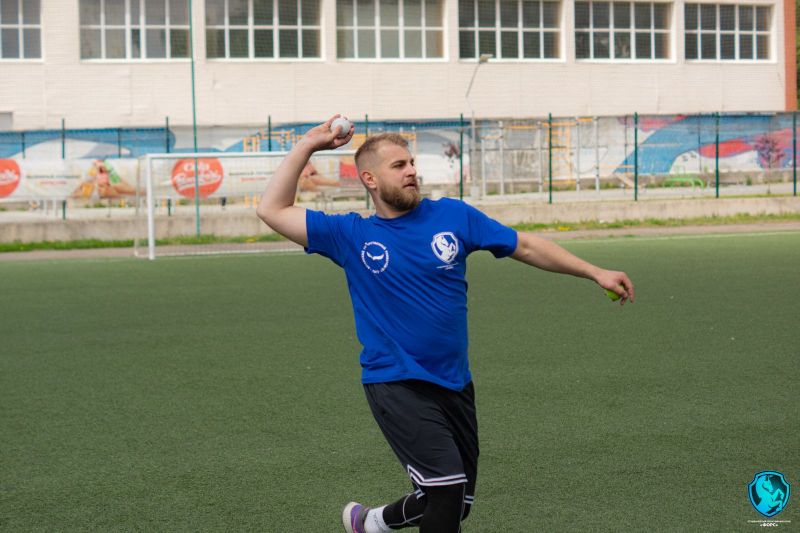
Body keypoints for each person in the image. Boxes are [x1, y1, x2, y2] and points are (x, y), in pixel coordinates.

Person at [256, 115, 634, 533]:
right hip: (396, 381)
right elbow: (271, 209)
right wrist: (308, 145)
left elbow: (524, 245)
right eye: (398, 165)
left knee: (453, 503)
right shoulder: (349, 235)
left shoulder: (454, 216)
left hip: (454, 383)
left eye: (412, 163)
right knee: (447, 490)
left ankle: (372, 522)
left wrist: (594, 271)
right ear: (370, 179)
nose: (411, 171)